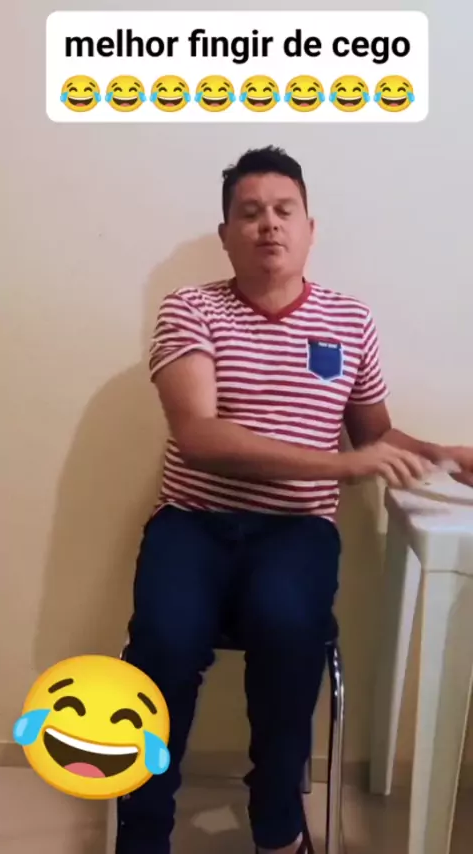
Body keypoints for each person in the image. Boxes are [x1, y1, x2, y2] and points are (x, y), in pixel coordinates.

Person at [115, 146, 473, 854]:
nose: (269, 225)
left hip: (296, 531)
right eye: (249, 213)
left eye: (284, 211)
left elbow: (372, 433)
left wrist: (444, 454)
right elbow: (199, 436)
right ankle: (143, 831)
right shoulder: (191, 308)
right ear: (226, 234)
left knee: (290, 632)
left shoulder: (350, 320)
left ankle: (278, 824)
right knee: (165, 643)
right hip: (193, 524)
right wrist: (339, 465)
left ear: (311, 228)